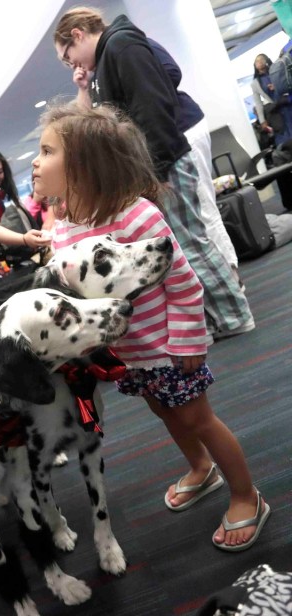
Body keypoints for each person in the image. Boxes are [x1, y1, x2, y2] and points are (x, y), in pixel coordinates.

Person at [32, 101, 270, 552]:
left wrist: (186, 342)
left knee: (199, 418)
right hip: (131, 356)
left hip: (167, 348)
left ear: (83, 164)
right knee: (165, 413)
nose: (35, 161)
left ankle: (247, 496)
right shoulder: (65, 225)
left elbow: (183, 284)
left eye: (46, 151)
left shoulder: (135, 216)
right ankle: (202, 469)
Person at [53, 7, 254, 340]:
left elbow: (152, 108)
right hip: (160, 163)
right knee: (187, 244)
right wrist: (86, 86)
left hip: (166, 161)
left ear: (77, 34)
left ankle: (234, 316)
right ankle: (226, 316)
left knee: (192, 244)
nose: (71, 63)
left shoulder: (121, 46)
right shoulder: (109, 58)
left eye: (68, 56)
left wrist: (156, 168)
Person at [149, 38, 242, 292]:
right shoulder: (105, 64)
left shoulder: (131, 45)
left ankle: (232, 280)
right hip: (182, 130)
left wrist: (152, 96)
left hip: (185, 128)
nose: (72, 64)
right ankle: (229, 277)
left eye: (68, 55)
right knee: (200, 214)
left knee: (204, 212)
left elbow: (172, 71)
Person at [251, 53, 292, 146]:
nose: (259, 62)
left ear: (266, 61)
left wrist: (277, 86)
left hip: (287, 103)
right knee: (284, 135)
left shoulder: (277, 72)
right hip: (276, 110)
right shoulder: (255, 83)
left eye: (261, 59)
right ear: (255, 65)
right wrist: (262, 121)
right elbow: (258, 103)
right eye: (257, 61)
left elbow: (287, 84)